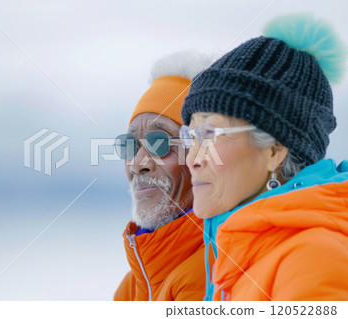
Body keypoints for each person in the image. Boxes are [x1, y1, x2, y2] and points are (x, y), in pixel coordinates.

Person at [180, 14, 348, 301]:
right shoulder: (234, 251)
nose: (192, 158)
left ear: (275, 149)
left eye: (209, 134)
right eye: (191, 136)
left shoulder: (313, 258)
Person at [113, 51, 213, 300]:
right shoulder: (135, 284)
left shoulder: (210, 278)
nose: (137, 164)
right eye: (129, 145)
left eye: (159, 143)